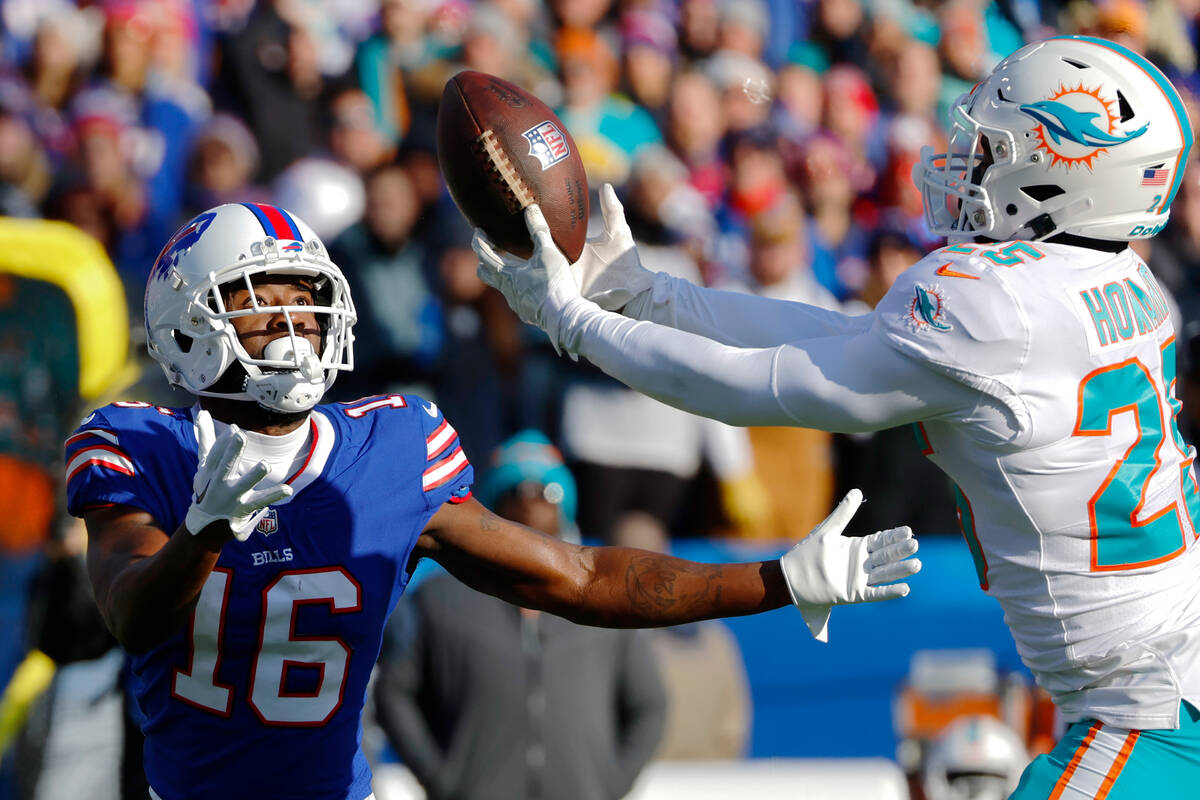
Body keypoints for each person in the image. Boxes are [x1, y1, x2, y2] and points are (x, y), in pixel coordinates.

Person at [474, 35, 1200, 797]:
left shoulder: (994, 302)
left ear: (1062, 174)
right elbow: (839, 342)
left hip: (1142, 717)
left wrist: (577, 324)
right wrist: (648, 295)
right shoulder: (1125, 283)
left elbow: (760, 387)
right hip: (1170, 682)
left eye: (992, 148)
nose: (964, 161)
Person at [67, 201, 920, 800]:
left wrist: (778, 580)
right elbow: (130, 615)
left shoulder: (387, 448)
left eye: (307, 304)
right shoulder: (146, 445)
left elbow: (578, 578)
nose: (295, 329)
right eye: (262, 309)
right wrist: (202, 533)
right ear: (188, 326)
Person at [374, 431, 667, 800]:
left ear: (566, 506)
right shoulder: (439, 600)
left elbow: (649, 706)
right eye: (515, 490)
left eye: (547, 492)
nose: (530, 503)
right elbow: (395, 694)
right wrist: (442, 779)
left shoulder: (602, 604)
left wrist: (608, 785)